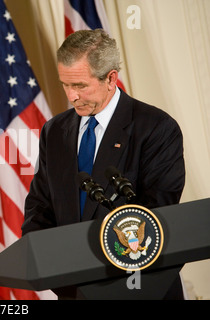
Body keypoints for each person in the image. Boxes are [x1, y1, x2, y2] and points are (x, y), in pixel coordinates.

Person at [21, 29, 186, 299]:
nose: (71, 96)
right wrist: (46, 258)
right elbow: (39, 204)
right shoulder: (54, 131)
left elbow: (158, 210)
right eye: (65, 84)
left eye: (80, 86)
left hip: (138, 285)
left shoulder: (156, 127)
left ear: (111, 79)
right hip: (74, 288)